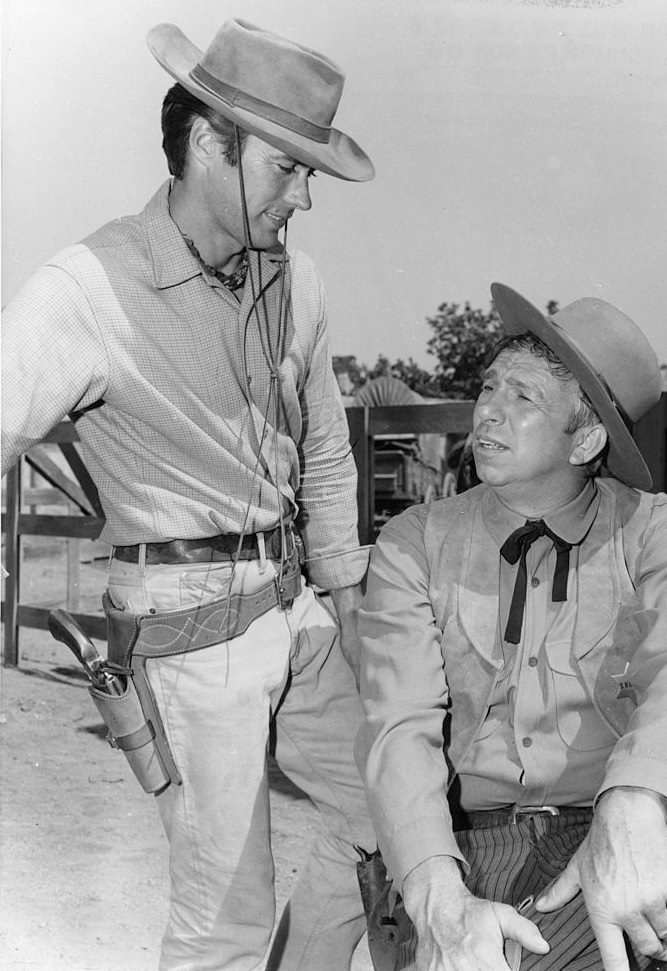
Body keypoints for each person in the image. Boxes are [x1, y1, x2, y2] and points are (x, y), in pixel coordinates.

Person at [2, 18, 378, 971]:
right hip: (183, 632)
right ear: (211, 144)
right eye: (290, 169)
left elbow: (325, 453)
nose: (305, 199)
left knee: (397, 815)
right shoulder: (85, 289)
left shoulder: (298, 283)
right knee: (224, 921)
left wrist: (349, 610)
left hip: (296, 609)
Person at [355, 283, 667, 971]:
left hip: (605, 830)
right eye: (489, 387)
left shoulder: (656, 530)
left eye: (523, 397)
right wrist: (439, 894)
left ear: (587, 436)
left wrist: (632, 802)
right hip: (463, 849)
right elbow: (399, 726)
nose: (488, 413)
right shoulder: (414, 540)